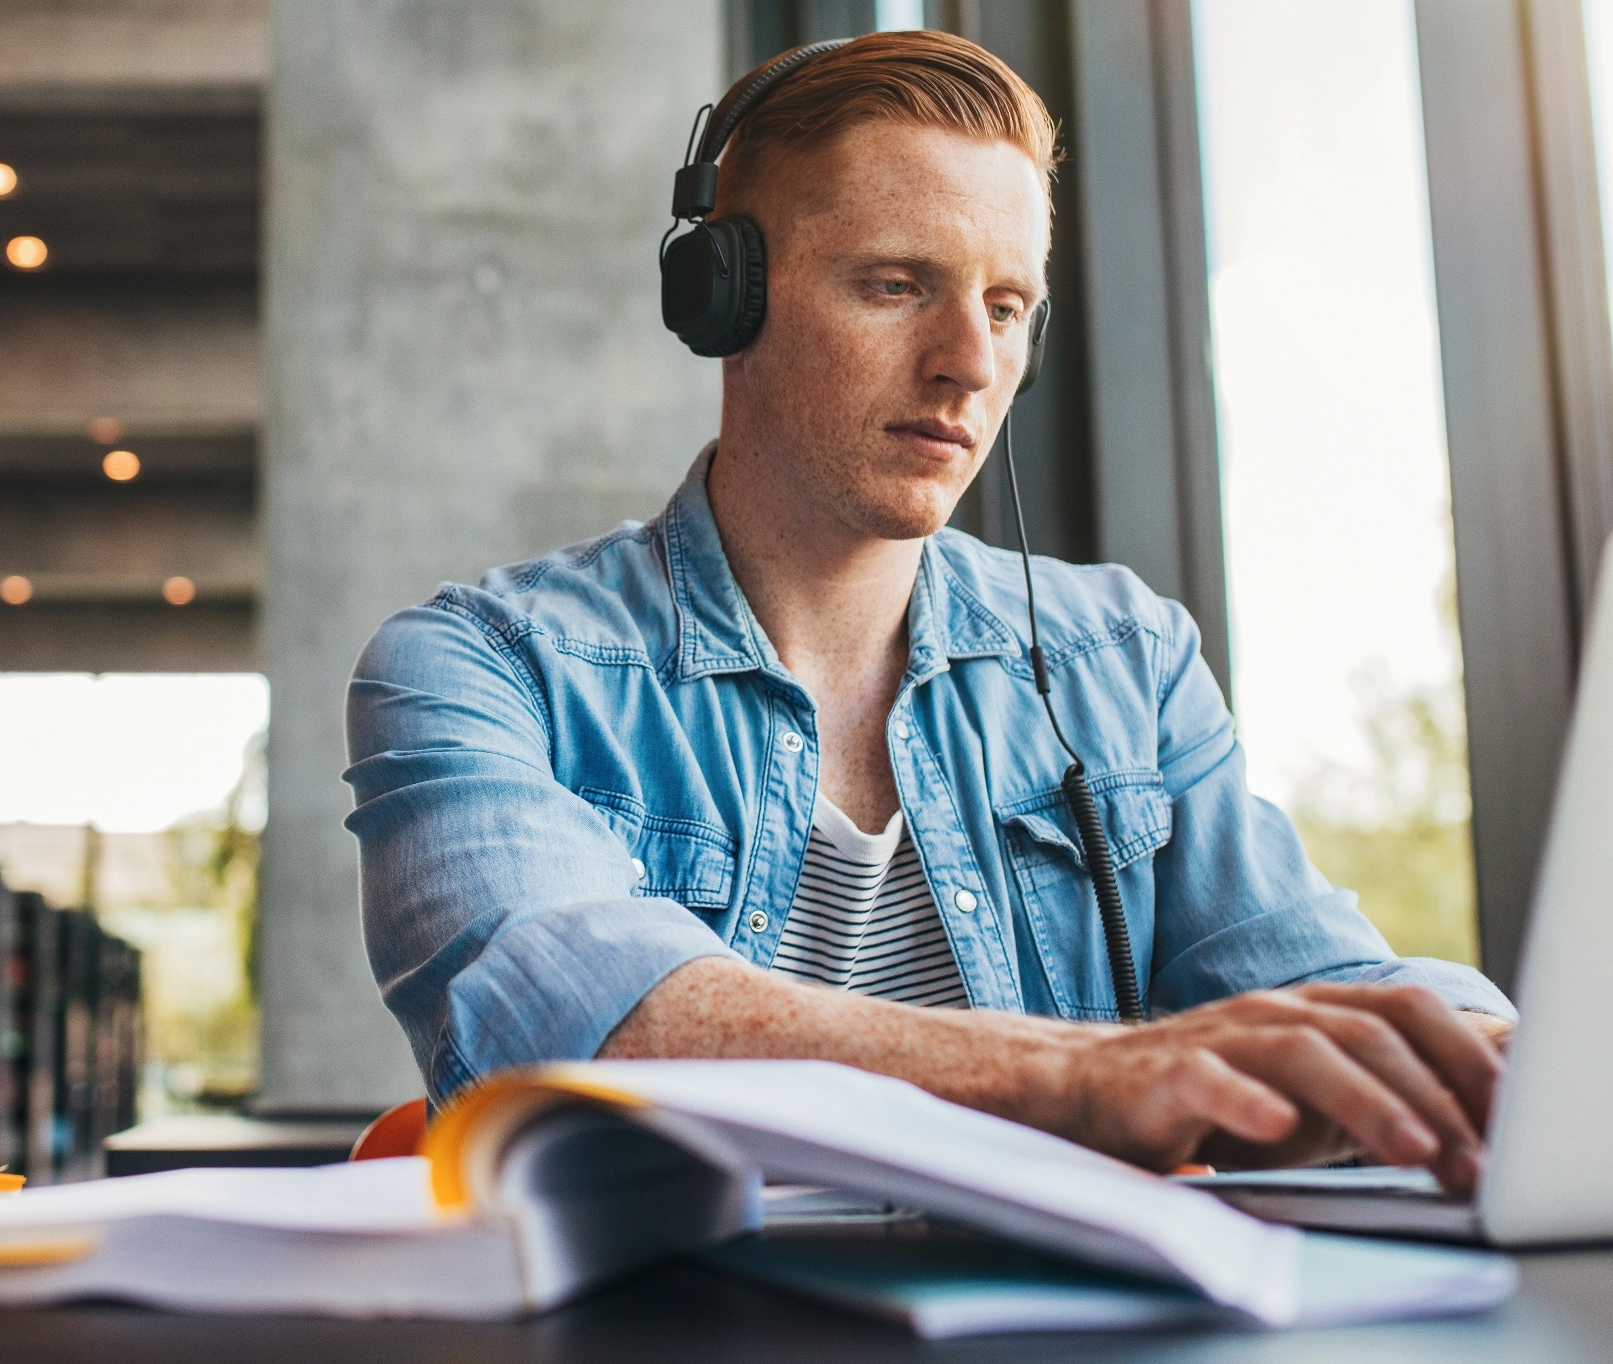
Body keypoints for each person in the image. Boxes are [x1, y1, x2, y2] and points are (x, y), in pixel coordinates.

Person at [344, 30, 1513, 1194]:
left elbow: (1322, 988)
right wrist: (1092, 1075)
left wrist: (1495, 1060)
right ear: (724, 301)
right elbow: (574, 1022)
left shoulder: (1125, 659)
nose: (968, 361)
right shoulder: (478, 667)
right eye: (897, 284)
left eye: (1007, 307)